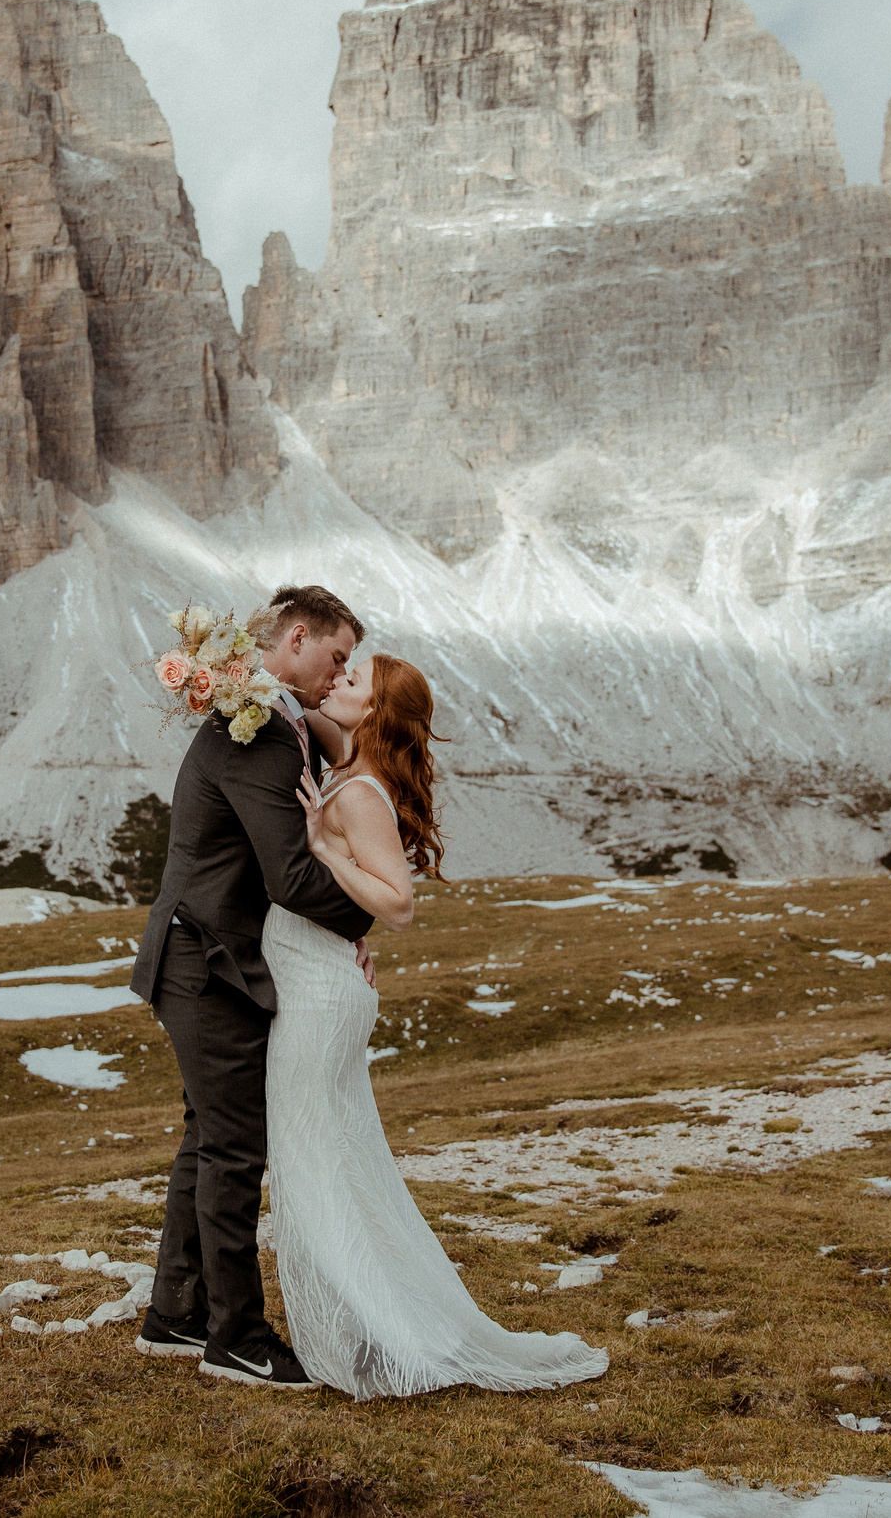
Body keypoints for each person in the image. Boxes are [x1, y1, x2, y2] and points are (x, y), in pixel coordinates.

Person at [269, 653, 610, 1399]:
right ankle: (370, 1324)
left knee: (319, 1167)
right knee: (335, 1165)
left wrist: (325, 850)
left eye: (353, 681)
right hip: (318, 984)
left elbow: (398, 904)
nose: (339, 684)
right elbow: (306, 710)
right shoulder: (351, 761)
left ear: (377, 712)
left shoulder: (360, 793)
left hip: (324, 999)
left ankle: (382, 1335)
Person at [128, 585, 372, 1389]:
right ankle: (235, 1334)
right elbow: (293, 875)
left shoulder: (265, 718)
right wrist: (365, 919)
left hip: (200, 957)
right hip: (208, 964)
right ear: (297, 637)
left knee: (208, 1134)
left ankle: (174, 1313)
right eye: (336, 657)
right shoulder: (257, 730)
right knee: (235, 1146)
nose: (340, 674)